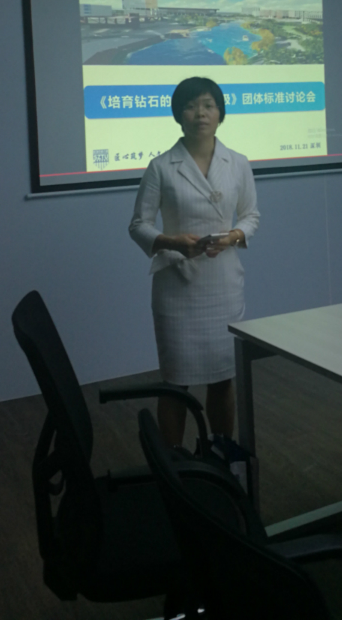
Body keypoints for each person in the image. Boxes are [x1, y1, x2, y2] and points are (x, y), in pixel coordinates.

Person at [129, 76, 259, 446]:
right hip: (177, 285)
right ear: (178, 115)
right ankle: (173, 461)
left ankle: (220, 453)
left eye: (208, 105)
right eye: (190, 106)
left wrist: (233, 236)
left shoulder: (238, 163)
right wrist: (171, 242)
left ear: (220, 113)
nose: (200, 113)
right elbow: (138, 225)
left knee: (222, 376)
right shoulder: (161, 166)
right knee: (175, 382)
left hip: (223, 285)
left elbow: (251, 215)